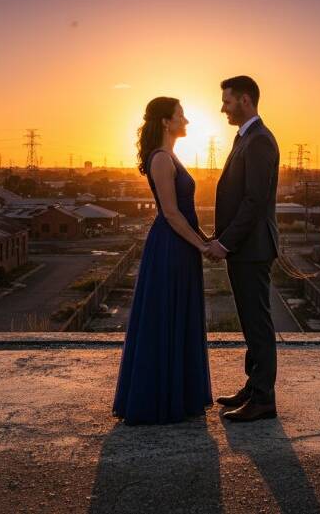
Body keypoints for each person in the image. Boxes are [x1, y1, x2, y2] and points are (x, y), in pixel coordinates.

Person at [112, 97, 213, 425]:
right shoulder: (160, 159)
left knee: (177, 315)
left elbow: (184, 213)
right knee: (165, 317)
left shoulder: (171, 156)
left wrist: (205, 239)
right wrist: (201, 245)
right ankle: (158, 400)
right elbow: (170, 213)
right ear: (166, 122)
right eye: (181, 116)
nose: (187, 121)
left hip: (179, 244)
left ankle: (178, 396)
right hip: (170, 247)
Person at [205, 75, 281, 422]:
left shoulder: (259, 141)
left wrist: (225, 242)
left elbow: (253, 201)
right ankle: (254, 386)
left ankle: (264, 398)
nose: (222, 108)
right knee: (250, 323)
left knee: (258, 322)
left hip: (252, 248)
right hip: (244, 249)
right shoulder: (246, 139)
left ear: (246, 101)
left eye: (227, 101)